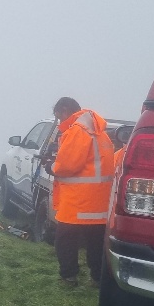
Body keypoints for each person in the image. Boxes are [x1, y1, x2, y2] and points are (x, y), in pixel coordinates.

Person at [46, 97, 115, 287]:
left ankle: (68, 277)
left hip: (78, 201)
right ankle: (98, 279)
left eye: (59, 117)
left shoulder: (77, 130)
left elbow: (68, 166)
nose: (60, 122)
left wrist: (51, 166)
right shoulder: (99, 131)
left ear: (65, 110)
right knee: (96, 244)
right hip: (99, 202)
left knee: (65, 241)